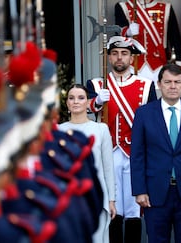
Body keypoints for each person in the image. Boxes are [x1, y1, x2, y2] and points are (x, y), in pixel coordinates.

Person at [85, 35, 157, 243]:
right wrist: (96, 102)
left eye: (124, 54)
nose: (119, 58)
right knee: (113, 206)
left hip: (136, 153)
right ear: (108, 57)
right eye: (115, 53)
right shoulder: (97, 84)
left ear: (131, 58)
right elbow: (85, 108)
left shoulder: (146, 84)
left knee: (134, 207)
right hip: (108, 152)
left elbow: (152, 122)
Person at [130, 63, 181, 243]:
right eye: (167, 82)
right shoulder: (143, 114)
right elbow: (137, 155)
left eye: (177, 82)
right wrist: (139, 190)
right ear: (159, 84)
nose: (172, 86)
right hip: (155, 194)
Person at [59, 83, 117, 243]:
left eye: (80, 98)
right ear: (67, 103)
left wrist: (111, 200)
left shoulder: (101, 129)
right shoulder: (58, 130)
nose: (76, 101)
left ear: (87, 102)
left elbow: (108, 168)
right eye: (71, 98)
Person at [115, 0, 181, 83]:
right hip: (133, 65)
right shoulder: (124, 6)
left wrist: (179, 63)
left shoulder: (166, 7)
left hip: (159, 65)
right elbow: (117, 34)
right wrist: (127, 31)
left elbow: (175, 38)